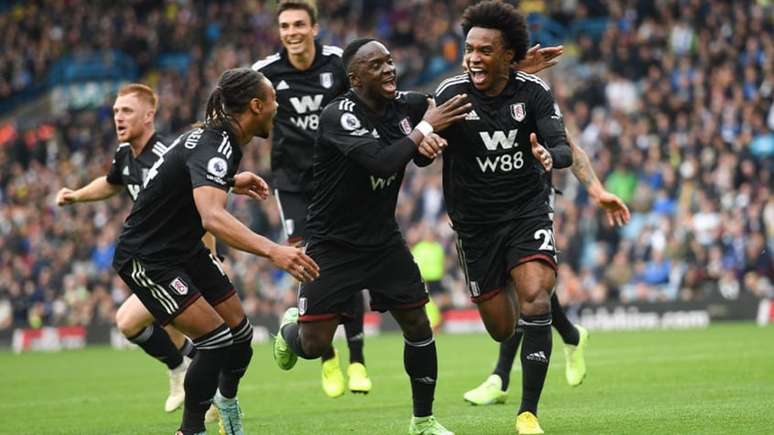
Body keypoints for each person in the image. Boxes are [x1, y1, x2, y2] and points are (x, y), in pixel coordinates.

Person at [272, 38, 470, 435]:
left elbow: (445, 103)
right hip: (332, 245)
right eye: (377, 65)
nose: (389, 70)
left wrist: (517, 72)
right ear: (355, 78)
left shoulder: (406, 107)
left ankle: (423, 420)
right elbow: (379, 161)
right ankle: (289, 329)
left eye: (390, 62)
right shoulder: (337, 116)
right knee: (312, 345)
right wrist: (425, 131)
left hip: (382, 241)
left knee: (417, 324)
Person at [112, 68, 319, 435]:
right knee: (215, 339)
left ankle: (225, 403)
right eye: (273, 99)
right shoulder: (217, 143)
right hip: (149, 257)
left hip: (182, 248)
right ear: (256, 106)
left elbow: (187, 173)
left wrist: (229, 180)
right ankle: (190, 431)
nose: (277, 106)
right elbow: (212, 217)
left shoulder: (217, 139)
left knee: (241, 337)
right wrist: (274, 251)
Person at [431, 2, 573, 433]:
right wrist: (425, 144)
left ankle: (528, 412)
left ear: (508, 55)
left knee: (535, 296)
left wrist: (550, 156)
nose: (473, 56)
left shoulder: (533, 92)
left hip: (526, 210)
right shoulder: (450, 93)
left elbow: (561, 147)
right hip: (474, 226)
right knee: (501, 326)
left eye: (485, 50)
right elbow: (422, 144)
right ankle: (545, 341)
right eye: (469, 48)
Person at [56, 83, 199, 413]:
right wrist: (75, 195)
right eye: (116, 111)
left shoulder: (167, 155)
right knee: (146, 323)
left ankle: (193, 378)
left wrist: (212, 255)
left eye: (127, 111)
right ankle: (187, 374)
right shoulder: (125, 154)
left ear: (149, 116)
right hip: (157, 260)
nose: (118, 117)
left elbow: (199, 202)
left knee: (155, 324)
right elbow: (111, 183)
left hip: (183, 258)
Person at [251, 0, 370, 398]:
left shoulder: (338, 64)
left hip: (338, 180)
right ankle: (328, 354)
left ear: (315, 28)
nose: (292, 32)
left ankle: (358, 360)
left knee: (347, 257)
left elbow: (370, 98)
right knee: (308, 261)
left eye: (300, 24)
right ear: (279, 31)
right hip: (293, 184)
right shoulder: (264, 74)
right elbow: (231, 109)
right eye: (285, 25)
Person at [463, 133, 631, 406]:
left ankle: (500, 378)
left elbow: (570, 148)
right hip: (493, 208)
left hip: (533, 201)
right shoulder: (477, 104)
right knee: (526, 289)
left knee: (524, 283)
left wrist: (597, 192)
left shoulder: (531, 98)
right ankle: (570, 335)